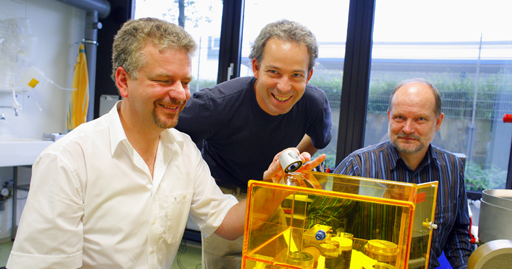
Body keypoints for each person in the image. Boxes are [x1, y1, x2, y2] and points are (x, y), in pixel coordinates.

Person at [5, 17, 325, 269]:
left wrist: (272, 189)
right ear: (122, 81)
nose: (181, 94)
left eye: (185, 82)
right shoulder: (68, 160)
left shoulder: (182, 150)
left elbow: (225, 222)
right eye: (163, 80)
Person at [174, 19, 332, 268]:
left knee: (276, 262)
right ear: (256, 67)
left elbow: (317, 139)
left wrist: (289, 163)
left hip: (271, 190)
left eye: (296, 75)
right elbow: (169, 131)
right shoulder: (217, 104)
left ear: (309, 75)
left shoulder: (314, 103)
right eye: (274, 72)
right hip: (224, 192)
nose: (284, 87)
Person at [333, 78, 474, 269]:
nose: (407, 129)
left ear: (438, 122)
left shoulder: (452, 168)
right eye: (400, 118)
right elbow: (323, 227)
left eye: (420, 119)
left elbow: (458, 234)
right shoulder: (357, 166)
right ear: (389, 117)